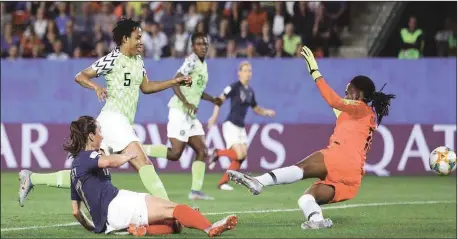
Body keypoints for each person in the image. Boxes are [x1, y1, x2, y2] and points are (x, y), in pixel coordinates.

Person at [18, 18, 192, 207]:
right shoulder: (113, 59)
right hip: (113, 118)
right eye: (137, 37)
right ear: (125, 39)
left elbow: (147, 87)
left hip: (114, 123)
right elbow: (80, 76)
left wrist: (174, 82)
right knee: (143, 162)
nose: (141, 41)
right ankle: (172, 209)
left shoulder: (138, 61)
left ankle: (32, 178)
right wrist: (96, 87)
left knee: (86, 172)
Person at [227, 46, 395, 229]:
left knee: (301, 167)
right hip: (352, 179)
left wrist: (315, 72)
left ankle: (259, 181)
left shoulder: (360, 107)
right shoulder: (363, 115)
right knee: (306, 198)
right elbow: (336, 105)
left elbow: (334, 101)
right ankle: (317, 220)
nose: (346, 95)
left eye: (348, 91)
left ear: (358, 94)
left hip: (341, 159)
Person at [66, 116, 237, 236]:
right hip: (118, 204)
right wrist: (127, 155)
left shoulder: (75, 167)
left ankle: (142, 230)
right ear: (90, 136)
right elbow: (109, 162)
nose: (102, 135)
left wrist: (95, 227)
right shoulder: (89, 157)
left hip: (110, 220)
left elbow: (76, 212)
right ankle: (210, 228)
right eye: (99, 131)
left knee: (176, 225)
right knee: (174, 209)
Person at [142, 32, 222, 200]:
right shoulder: (191, 61)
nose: (203, 47)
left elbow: (197, 90)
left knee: (202, 150)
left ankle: (195, 191)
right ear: (193, 46)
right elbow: (175, 81)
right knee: (175, 154)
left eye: (205, 44)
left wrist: (212, 99)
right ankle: (141, 149)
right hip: (179, 111)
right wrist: (185, 102)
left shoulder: (203, 64)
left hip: (190, 114)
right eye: (199, 44)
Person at [206, 61, 276, 191]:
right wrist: (214, 117)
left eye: (249, 71)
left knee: (242, 157)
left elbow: (256, 108)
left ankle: (222, 183)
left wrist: (266, 112)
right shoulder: (234, 87)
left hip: (240, 127)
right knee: (239, 155)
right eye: (245, 70)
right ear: (239, 73)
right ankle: (217, 152)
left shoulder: (250, 92)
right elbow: (219, 100)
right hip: (231, 124)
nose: (247, 73)